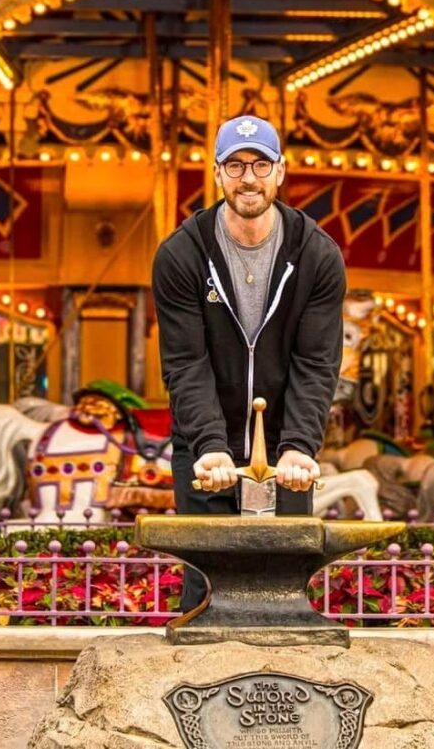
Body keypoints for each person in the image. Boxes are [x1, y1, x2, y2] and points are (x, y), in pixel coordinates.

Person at [152, 114, 347, 612]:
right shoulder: (182, 255)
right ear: (217, 174)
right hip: (205, 448)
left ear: (280, 171)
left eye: (260, 164)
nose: (248, 178)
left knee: (284, 592)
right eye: (235, 165)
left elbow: (317, 362)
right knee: (204, 594)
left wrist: (300, 445)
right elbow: (186, 362)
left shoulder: (317, 256)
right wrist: (211, 446)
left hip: (286, 454)